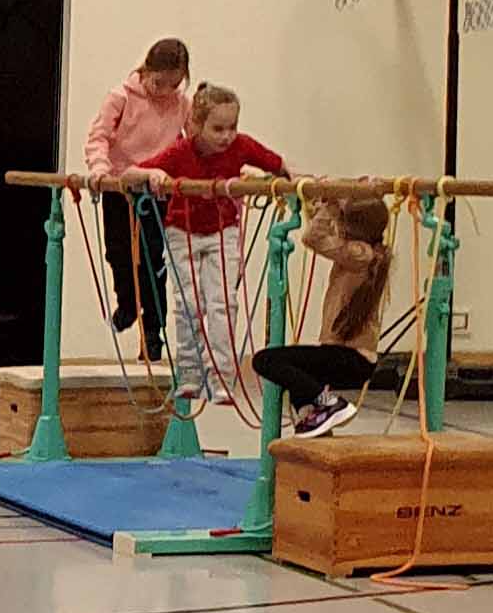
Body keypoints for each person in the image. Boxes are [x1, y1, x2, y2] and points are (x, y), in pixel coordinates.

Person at [130, 85, 286, 409]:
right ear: (196, 125)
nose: (227, 136)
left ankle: (222, 378)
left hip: (223, 231)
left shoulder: (242, 146)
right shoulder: (180, 152)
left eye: (232, 127)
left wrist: (295, 183)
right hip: (181, 232)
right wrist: (154, 173)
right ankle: (189, 374)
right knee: (189, 304)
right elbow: (132, 173)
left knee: (223, 304)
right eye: (218, 128)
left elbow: (279, 165)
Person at [252, 194, 394, 438]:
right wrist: (319, 203)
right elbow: (321, 233)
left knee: (266, 361)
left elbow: (313, 238)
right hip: (347, 357)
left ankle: (330, 404)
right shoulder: (363, 251)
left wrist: (330, 207)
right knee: (298, 380)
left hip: (350, 359)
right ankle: (314, 418)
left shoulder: (359, 253)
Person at [83, 36, 189, 359]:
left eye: (174, 85)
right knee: (117, 252)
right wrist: (99, 169)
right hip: (120, 186)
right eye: (159, 83)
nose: (165, 91)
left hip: (157, 190)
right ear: (146, 70)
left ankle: (153, 335)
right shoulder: (121, 97)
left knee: (153, 261)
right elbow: (99, 136)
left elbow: (194, 142)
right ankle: (127, 304)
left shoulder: (182, 104)